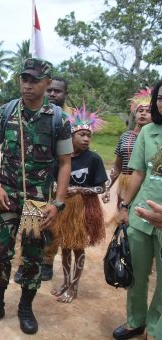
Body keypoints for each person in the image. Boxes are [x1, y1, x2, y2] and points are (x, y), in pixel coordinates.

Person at [0, 58, 72, 335]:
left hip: (35, 203)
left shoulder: (57, 119)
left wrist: (58, 202)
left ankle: (25, 307)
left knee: (32, 255)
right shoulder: (7, 111)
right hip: (7, 197)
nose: (27, 85)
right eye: (24, 79)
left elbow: (65, 163)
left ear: (46, 83)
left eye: (34, 80)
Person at [114, 80, 162, 340]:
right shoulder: (148, 132)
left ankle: (156, 329)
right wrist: (124, 205)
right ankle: (136, 321)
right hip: (142, 216)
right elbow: (139, 172)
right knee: (137, 273)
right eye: (161, 97)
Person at [15, 76, 72, 283]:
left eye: (58, 91)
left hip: (58, 183)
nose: (53, 94)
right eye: (51, 91)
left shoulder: (65, 119)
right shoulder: (31, 115)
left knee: (51, 225)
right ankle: (26, 263)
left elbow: (71, 157)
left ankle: (47, 262)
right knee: (30, 226)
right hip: (36, 184)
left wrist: (61, 193)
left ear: (65, 95)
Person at [50, 103, 108, 303]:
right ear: (72, 136)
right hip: (65, 209)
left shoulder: (94, 159)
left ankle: (74, 287)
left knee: (78, 247)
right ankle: (66, 282)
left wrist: (80, 189)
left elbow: (102, 188)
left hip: (83, 209)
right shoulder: (62, 158)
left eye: (88, 135)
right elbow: (53, 181)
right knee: (65, 246)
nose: (86, 138)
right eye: (81, 134)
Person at [103, 88, 152, 208]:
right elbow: (117, 167)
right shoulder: (125, 136)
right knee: (122, 217)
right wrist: (108, 188)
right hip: (125, 183)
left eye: (148, 111)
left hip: (146, 185)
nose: (143, 113)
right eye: (140, 110)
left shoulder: (155, 137)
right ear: (135, 114)